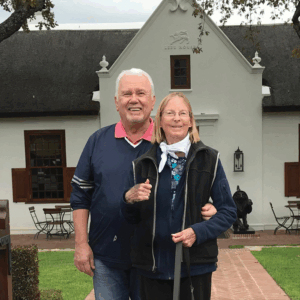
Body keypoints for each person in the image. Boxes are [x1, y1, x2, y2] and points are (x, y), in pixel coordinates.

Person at [70, 70, 217, 300]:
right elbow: (80, 196)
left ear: (153, 101)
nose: (134, 99)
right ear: (117, 102)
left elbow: (191, 187)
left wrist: (211, 208)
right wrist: (81, 244)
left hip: (155, 260)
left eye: (141, 93)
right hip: (107, 257)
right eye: (127, 94)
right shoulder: (97, 141)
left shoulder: (169, 143)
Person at [121, 92, 237, 300]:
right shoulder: (142, 163)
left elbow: (228, 212)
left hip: (195, 266)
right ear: (160, 121)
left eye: (183, 113)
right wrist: (128, 199)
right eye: (170, 113)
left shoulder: (210, 159)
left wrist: (197, 232)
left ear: (191, 121)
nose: (177, 118)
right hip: (151, 266)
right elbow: (129, 218)